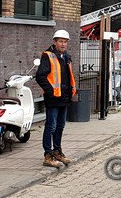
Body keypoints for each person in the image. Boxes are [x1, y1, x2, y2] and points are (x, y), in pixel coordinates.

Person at [36, 29, 77, 168]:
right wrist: (50, 91)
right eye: (61, 41)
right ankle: (48, 155)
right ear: (55, 42)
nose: (63, 44)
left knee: (60, 126)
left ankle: (57, 151)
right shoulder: (48, 56)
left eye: (65, 42)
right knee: (51, 126)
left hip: (64, 97)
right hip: (53, 98)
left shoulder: (66, 57)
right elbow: (40, 76)